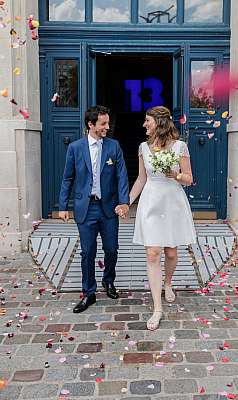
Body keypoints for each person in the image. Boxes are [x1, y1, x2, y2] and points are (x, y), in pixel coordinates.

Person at [129, 106, 196, 330]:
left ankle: (168, 282)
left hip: (173, 201)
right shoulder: (143, 147)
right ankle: (157, 307)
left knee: (171, 252)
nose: (144, 125)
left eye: (147, 121)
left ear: (160, 123)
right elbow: (141, 179)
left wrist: (174, 174)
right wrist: (126, 202)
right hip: (151, 201)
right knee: (153, 252)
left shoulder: (180, 147)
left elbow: (188, 178)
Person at [59, 105, 129, 313]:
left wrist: (124, 202)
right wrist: (63, 206)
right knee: (87, 252)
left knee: (111, 249)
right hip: (85, 208)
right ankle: (89, 293)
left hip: (108, 208)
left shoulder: (114, 146)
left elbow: (122, 176)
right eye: (103, 124)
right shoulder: (75, 148)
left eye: (108, 123)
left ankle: (108, 281)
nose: (107, 127)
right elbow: (67, 178)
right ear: (91, 125)